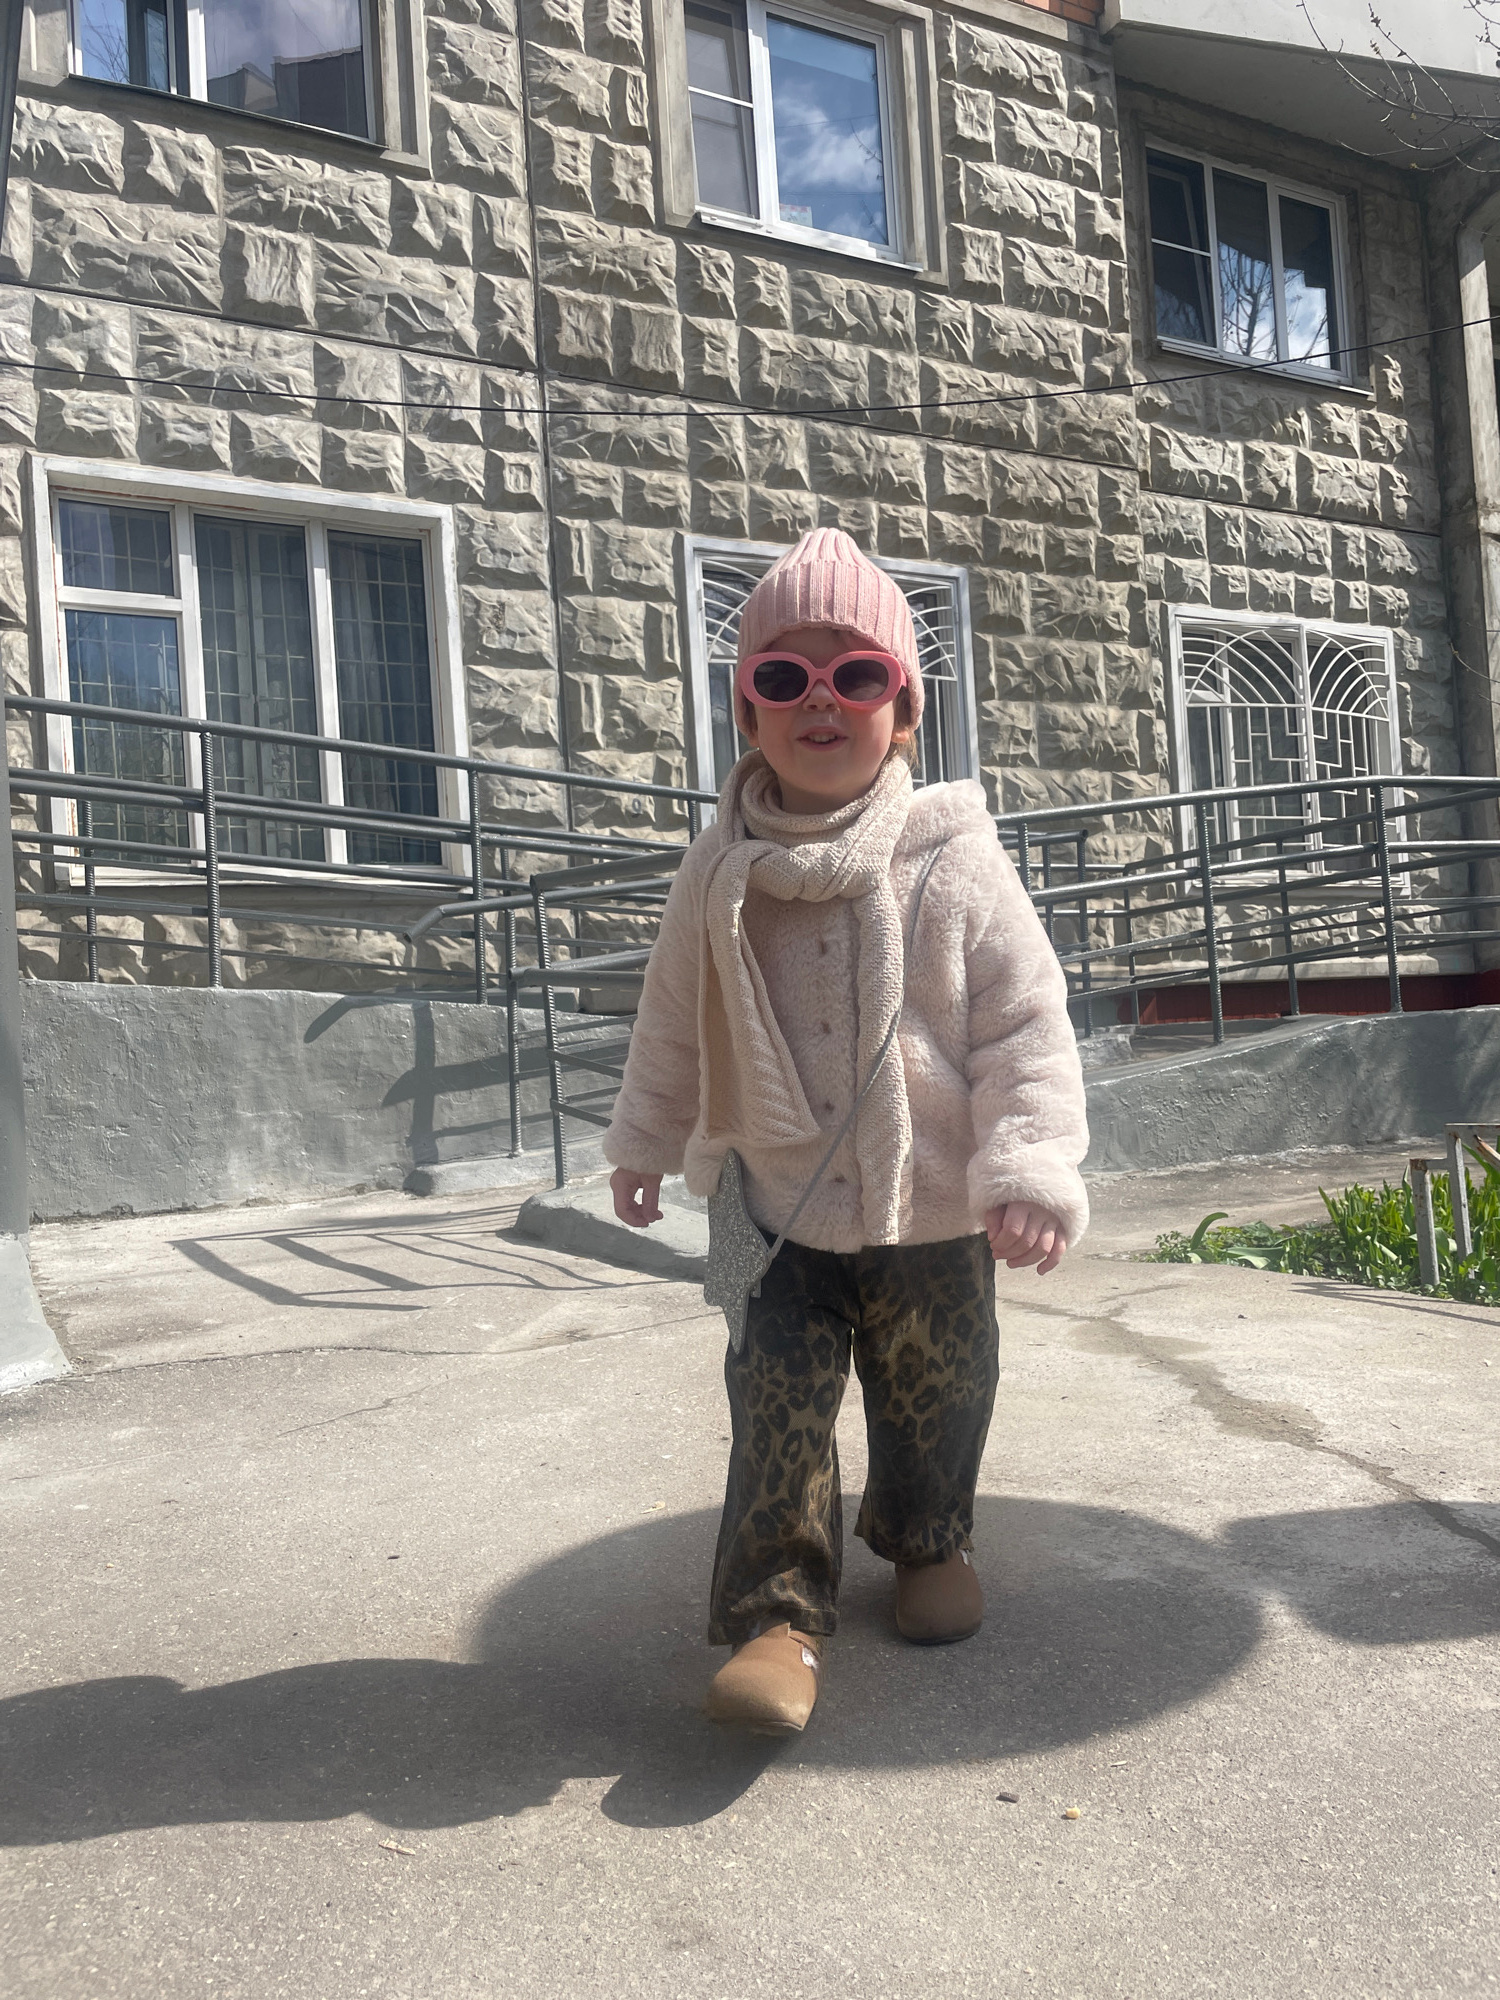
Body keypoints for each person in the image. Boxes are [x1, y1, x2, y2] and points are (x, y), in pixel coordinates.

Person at [603, 528, 1088, 1735]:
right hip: (774, 1206)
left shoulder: (956, 862)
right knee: (776, 1402)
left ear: (905, 710)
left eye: (856, 674)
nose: (820, 699)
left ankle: (929, 1539)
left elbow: (1024, 1023)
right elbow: (674, 1016)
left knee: (939, 1390)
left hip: (931, 1206)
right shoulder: (717, 869)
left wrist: (1028, 1164)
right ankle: (776, 1615)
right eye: (784, 677)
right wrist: (644, 1137)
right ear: (748, 713)